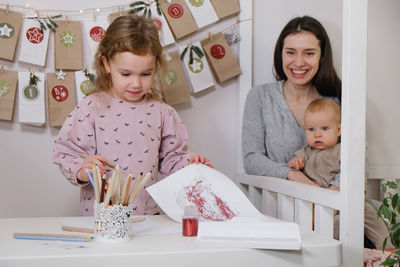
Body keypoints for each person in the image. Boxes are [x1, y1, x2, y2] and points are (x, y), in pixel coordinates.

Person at [52, 15, 211, 216]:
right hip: (101, 217)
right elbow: (65, 151)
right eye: (126, 74)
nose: (136, 84)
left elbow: (172, 158)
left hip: (147, 217)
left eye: (146, 74)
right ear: (107, 65)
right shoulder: (91, 108)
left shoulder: (161, 111)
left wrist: (190, 164)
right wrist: (82, 171)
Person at [242, 15, 341, 186]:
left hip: (333, 205)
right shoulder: (260, 96)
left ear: (322, 57)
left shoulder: (338, 99)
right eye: (290, 52)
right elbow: (252, 158)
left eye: (309, 53)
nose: (299, 62)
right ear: (281, 54)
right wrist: (292, 175)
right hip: (280, 204)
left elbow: (357, 158)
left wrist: (332, 196)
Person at [288, 98, 340, 190]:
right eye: (311, 129)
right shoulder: (305, 152)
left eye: (324, 128)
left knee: (364, 204)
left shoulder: (340, 151)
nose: (317, 135)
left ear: (338, 130)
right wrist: (296, 162)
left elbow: (351, 172)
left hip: (334, 195)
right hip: (310, 196)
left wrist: (336, 188)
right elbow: (295, 160)